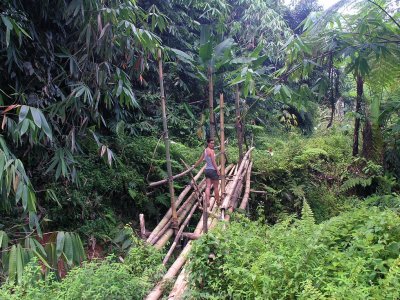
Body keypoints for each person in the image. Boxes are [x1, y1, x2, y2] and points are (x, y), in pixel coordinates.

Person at [192, 138, 220, 207]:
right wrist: (217, 170)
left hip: (207, 170)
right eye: (211, 143)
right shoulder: (212, 151)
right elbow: (213, 162)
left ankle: (207, 201)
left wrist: (195, 165)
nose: (212, 144)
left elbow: (200, 160)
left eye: (213, 143)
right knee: (216, 187)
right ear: (208, 143)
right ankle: (218, 201)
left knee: (208, 186)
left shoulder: (205, 151)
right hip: (213, 170)